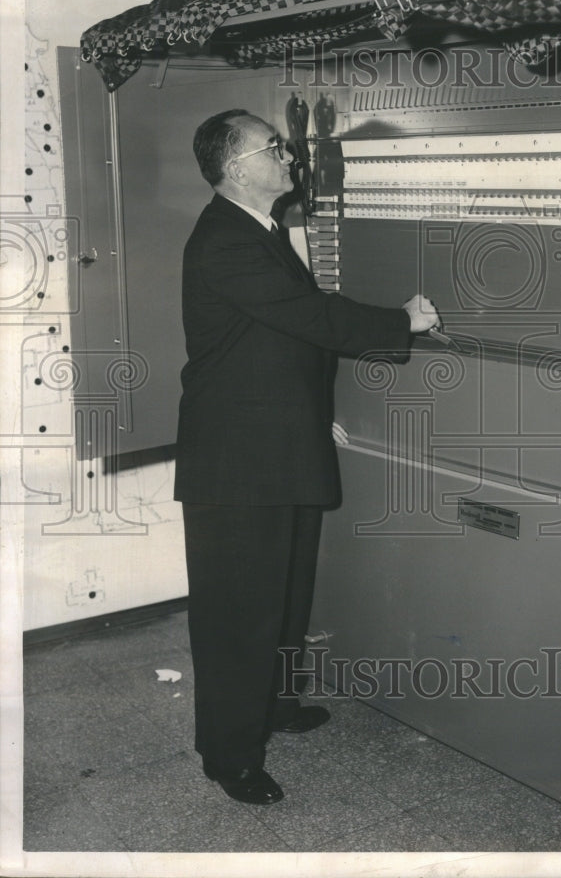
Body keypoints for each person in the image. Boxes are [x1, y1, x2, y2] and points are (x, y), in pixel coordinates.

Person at [174, 109, 439, 806]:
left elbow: (290, 330)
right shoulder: (224, 241)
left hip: (277, 442)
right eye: (274, 147)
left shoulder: (259, 233)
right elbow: (311, 319)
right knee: (239, 611)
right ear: (236, 167)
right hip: (236, 460)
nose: (288, 156)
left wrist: (319, 415)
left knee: (285, 595)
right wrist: (398, 321)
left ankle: (275, 708)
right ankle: (228, 755)